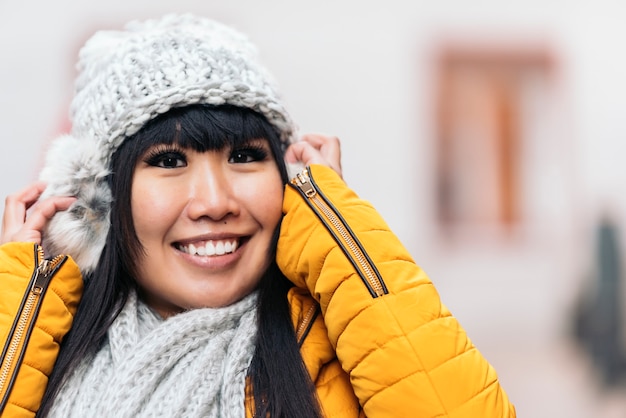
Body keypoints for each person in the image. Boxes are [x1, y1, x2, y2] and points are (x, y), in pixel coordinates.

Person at [0, 14, 516, 418]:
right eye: (169, 161)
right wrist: (21, 295)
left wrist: (336, 226)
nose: (215, 201)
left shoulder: (339, 353)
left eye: (245, 157)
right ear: (101, 201)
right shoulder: (42, 351)